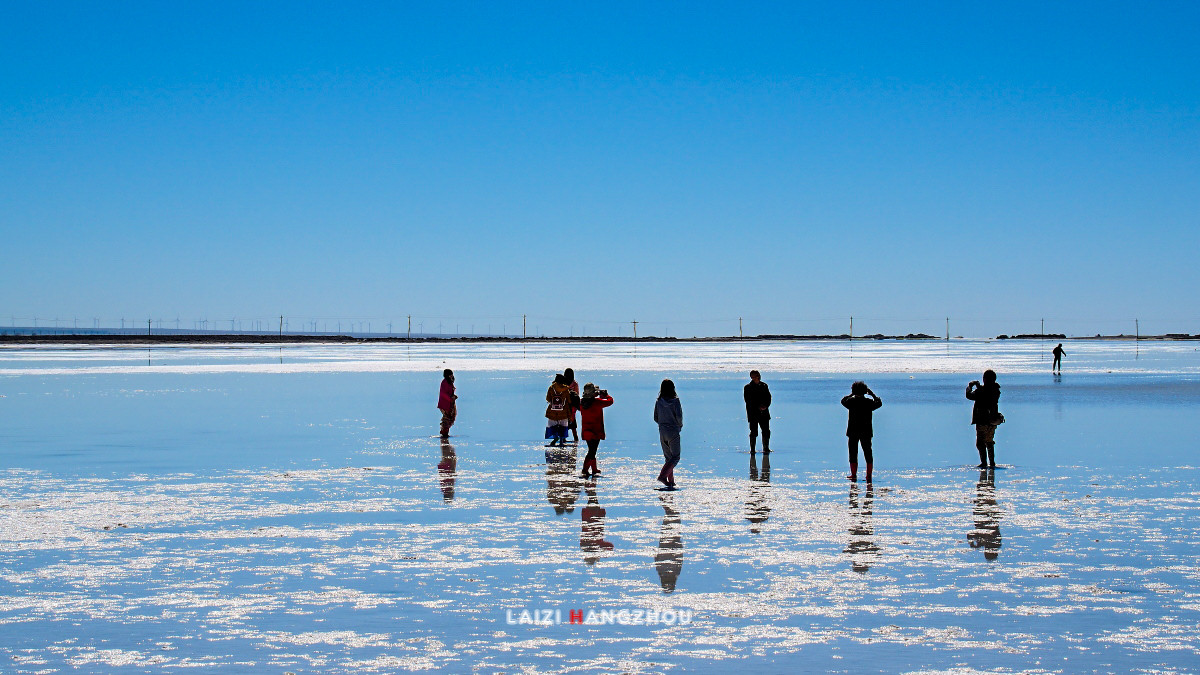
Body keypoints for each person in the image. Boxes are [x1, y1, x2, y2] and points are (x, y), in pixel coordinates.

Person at [841, 381, 883, 481]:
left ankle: (853, 474)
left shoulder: (850, 402)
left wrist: (852, 394)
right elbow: (879, 403)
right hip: (866, 431)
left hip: (853, 431)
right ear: (865, 391)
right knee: (868, 453)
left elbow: (843, 401)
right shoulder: (868, 402)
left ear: (853, 391)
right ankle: (868, 475)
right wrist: (872, 394)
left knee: (853, 453)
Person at [966, 370, 1003, 468]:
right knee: (989, 441)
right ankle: (992, 463)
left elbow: (969, 396)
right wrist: (979, 387)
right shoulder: (996, 390)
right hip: (992, 421)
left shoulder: (982, 391)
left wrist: (970, 387)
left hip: (983, 420)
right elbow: (987, 395)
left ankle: (984, 463)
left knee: (980, 443)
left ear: (985, 379)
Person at [578, 383, 614, 478]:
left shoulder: (581, 403)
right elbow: (610, 401)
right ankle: (585, 469)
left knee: (592, 449)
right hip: (596, 431)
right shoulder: (597, 402)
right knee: (592, 451)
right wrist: (606, 395)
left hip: (586, 431)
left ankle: (594, 469)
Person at [653, 379, 683, 489]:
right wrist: (679, 425)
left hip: (662, 430)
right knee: (675, 457)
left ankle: (671, 481)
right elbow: (679, 416)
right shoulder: (675, 401)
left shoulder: (659, 401)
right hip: (673, 430)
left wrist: (662, 424)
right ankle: (662, 476)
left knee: (668, 457)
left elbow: (655, 417)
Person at [743, 370, 772, 453]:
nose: (755, 378)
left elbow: (769, 397)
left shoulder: (764, 386)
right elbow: (748, 400)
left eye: (756, 376)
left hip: (764, 413)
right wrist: (758, 407)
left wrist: (765, 406)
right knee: (753, 432)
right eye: (753, 376)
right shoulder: (748, 387)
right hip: (753, 414)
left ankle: (766, 448)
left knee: (766, 431)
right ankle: (752, 449)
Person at [545, 373, 572, 447]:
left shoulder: (551, 388)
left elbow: (547, 399)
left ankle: (555, 438)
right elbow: (569, 401)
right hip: (563, 411)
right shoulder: (566, 389)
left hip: (552, 411)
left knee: (553, 426)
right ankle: (561, 441)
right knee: (563, 426)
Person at [437, 369, 457, 438]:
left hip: (450, 403)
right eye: (450, 374)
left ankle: (445, 431)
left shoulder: (450, 382)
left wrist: (453, 396)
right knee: (447, 418)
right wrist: (450, 398)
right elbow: (443, 394)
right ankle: (444, 432)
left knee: (451, 417)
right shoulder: (444, 382)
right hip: (445, 403)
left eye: (452, 374)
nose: (451, 376)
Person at [564, 368, 581, 444]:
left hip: (564, 405)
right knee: (573, 421)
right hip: (573, 406)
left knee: (564, 421)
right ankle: (576, 439)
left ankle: (563, 438)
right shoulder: (575, 384)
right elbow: (577, 394)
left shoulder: (563, 383)